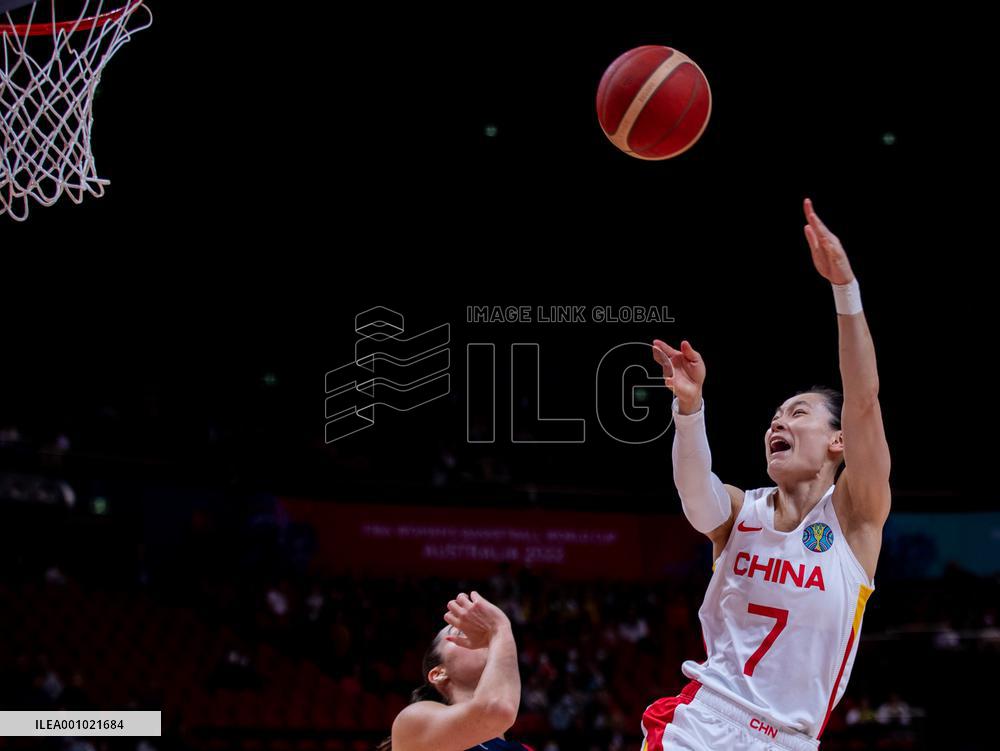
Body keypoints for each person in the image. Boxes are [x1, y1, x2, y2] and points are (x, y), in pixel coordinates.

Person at [645, 197, 891, 751]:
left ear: (838, 441)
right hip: (703, 725)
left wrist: (845, 289)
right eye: (775, 415)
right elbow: (695, 496)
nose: (778, 421)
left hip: (790, 741)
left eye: (798, 412)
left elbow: (864, 400)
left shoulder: (856, 521)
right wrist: (689, 412)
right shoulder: (741, 511)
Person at [381, 591, 529, 751]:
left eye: (484, 635)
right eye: (462, 633)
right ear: (438, 674)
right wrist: (499, 628)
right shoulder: (412, 722)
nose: (485, 640)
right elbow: (496, 711)